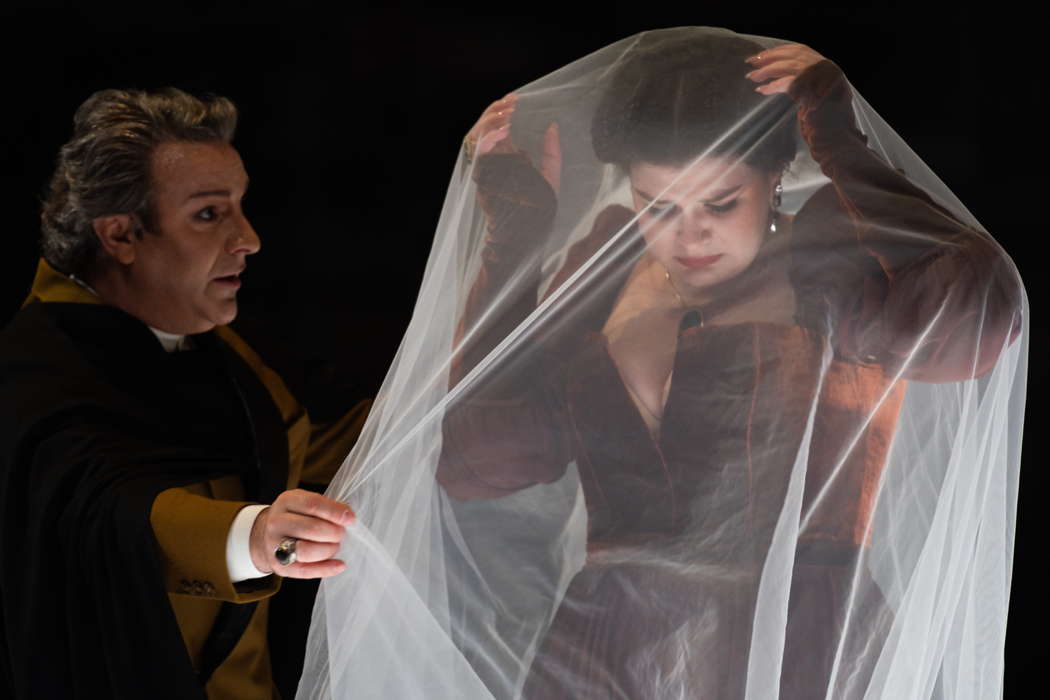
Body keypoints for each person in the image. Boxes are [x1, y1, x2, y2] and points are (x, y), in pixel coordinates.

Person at [297, 28, 1025, 700]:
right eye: (658, 205)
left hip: (799, 641)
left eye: (720, 201)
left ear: (776, 177)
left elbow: (982, 318)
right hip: (602, 650)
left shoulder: (833, 265)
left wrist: (841, 146)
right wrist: (516, 246)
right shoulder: (604, 273)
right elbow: (477, 457)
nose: (690, 235)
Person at [0, 87, 369, 699]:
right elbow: (101, 505)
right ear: (120, 236)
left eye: (241, 208)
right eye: (209, 214)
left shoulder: (214, 349)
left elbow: (310, 447)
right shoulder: (32, 372)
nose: (248, 239)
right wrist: (256, 536)